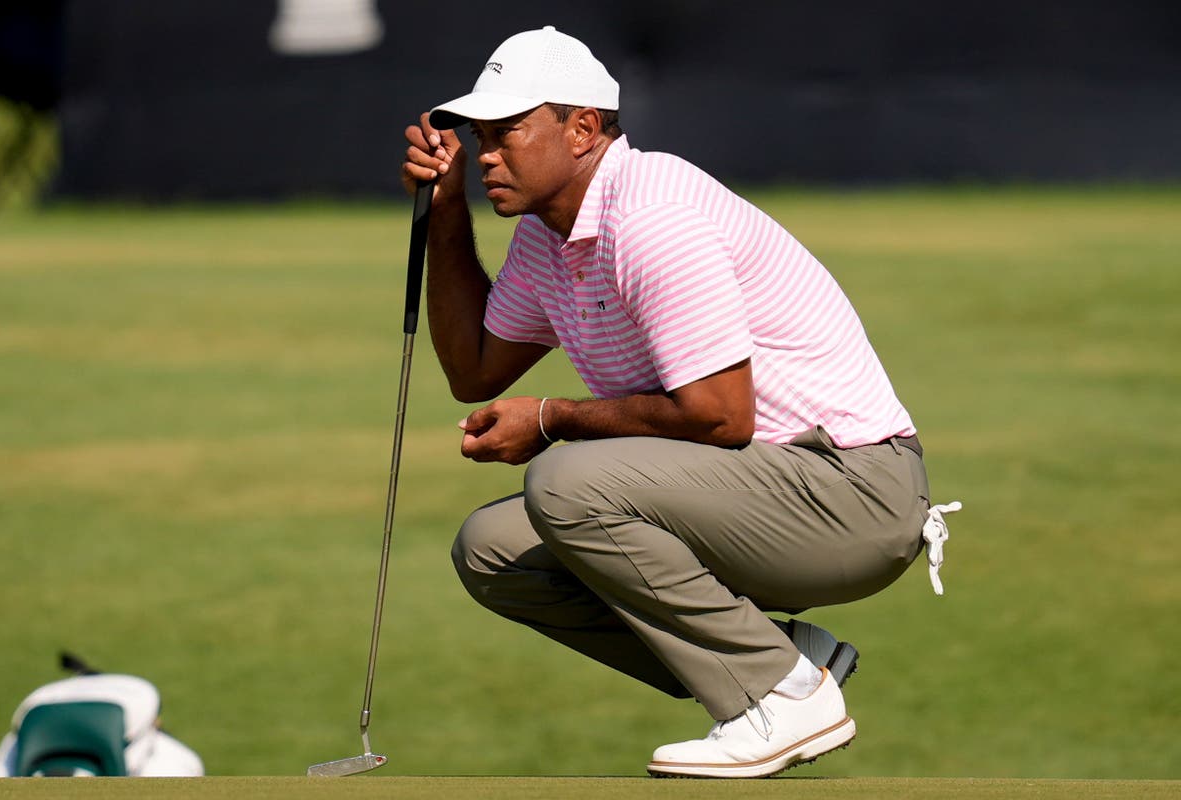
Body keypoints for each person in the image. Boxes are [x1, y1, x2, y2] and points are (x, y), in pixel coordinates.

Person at [401, 25, 958, 778]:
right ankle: (788, 663)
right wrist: (443, 210)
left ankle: (779, 695)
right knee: (494, 552)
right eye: (478, 135)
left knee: (567, 484)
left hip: (854, 494)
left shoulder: (651, 212)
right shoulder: (546, 234)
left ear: (583, 130)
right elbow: (472, 370)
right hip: (766, 487)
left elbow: (721, 415)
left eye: (506, 132)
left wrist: (552, 419)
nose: (487, 153)